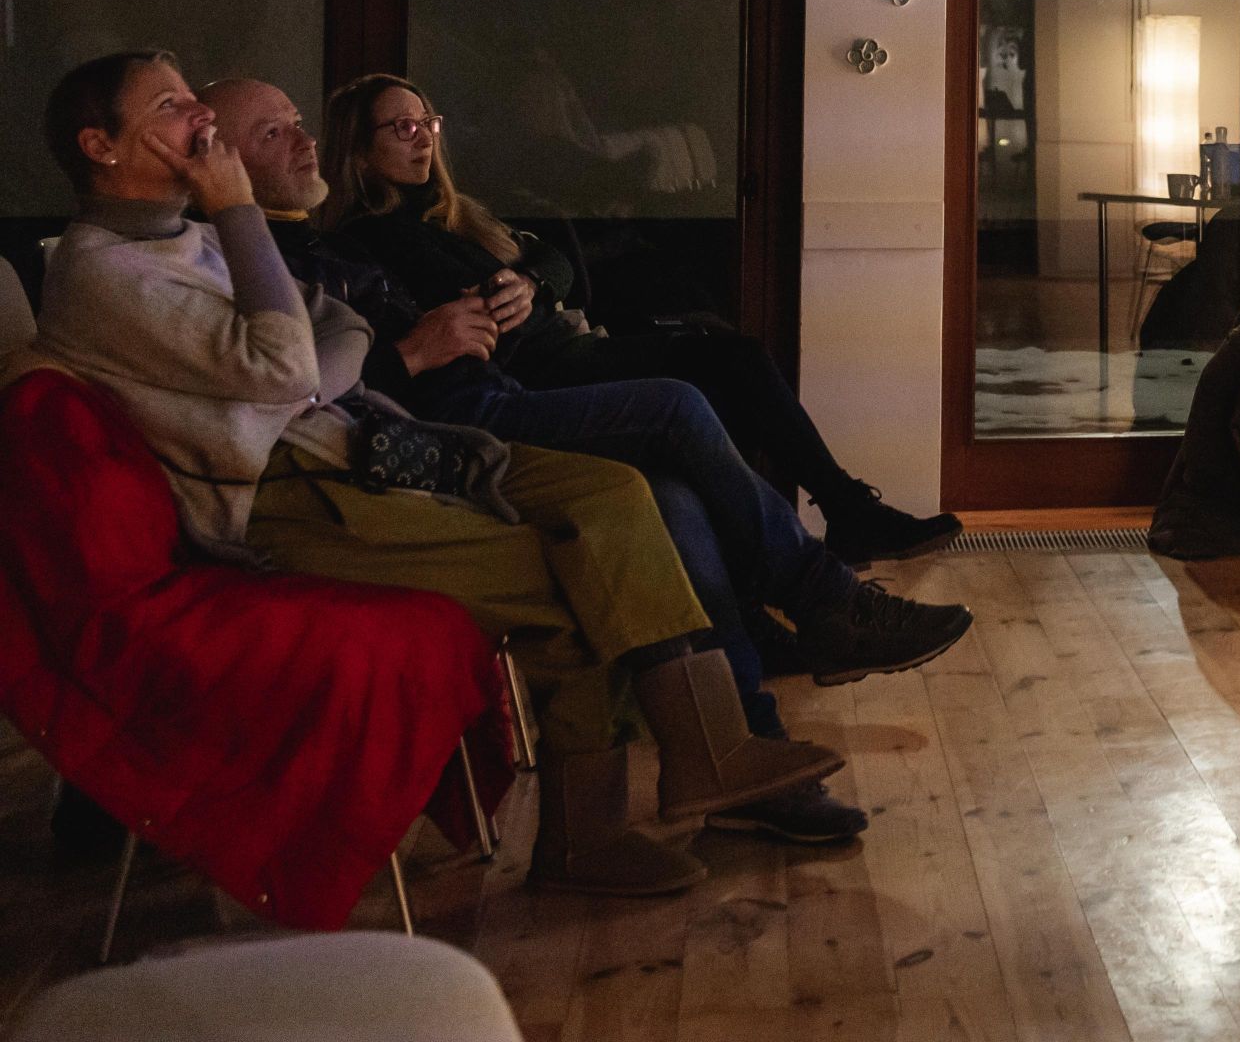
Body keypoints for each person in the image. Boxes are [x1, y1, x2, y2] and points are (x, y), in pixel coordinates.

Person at [12, 50, 843, 899]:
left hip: (346, 447)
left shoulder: (183, 237)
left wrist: (308, 362)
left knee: (612, 492)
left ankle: (709, 746)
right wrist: (241, 220)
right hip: (289, 500)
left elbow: (333, 325)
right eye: (169, 104)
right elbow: (285, 365)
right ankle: (588, 833)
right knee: (575, 573)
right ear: (100, 146)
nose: (200, 117)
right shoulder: (106, 271)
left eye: (193, 96)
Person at [204, 79, 973, 847]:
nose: (304, 139)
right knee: (680, 403)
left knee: (675, 491)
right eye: (274, 132)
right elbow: (297, 385)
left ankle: (747, 750)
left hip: (487, 395)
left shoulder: (341, 238)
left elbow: (542, 259)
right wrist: (409, 352)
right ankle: (822, 598)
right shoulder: (297, 247)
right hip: (447, 428)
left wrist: (525, 284)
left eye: (299, 123)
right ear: (221, 164)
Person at [315, 73, 958, 564]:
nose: (424, 136)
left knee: (726, 358)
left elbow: (551, 256)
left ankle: (809, 533)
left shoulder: (454, 215)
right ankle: (835, 519)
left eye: (427, 121)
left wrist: (534, 281)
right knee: (728, 362)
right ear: (360, 152)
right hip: (538, 372)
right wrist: (514, 290)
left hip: (564, 347)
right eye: (401, 127)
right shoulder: (373, 236)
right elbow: (464, 303)